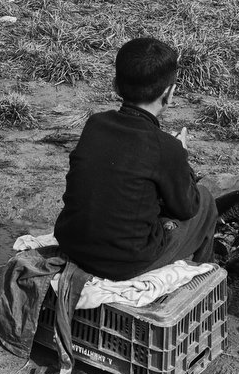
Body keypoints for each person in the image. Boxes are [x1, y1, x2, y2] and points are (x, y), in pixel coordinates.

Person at [54, 37, 217, 281]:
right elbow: (187, 207)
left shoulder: (95, 124)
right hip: (125, 264)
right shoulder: (167, 147)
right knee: (204, 201)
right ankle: (204, 278)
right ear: (169, 93)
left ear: (115, 86)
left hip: (73, 246)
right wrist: (181, 158)